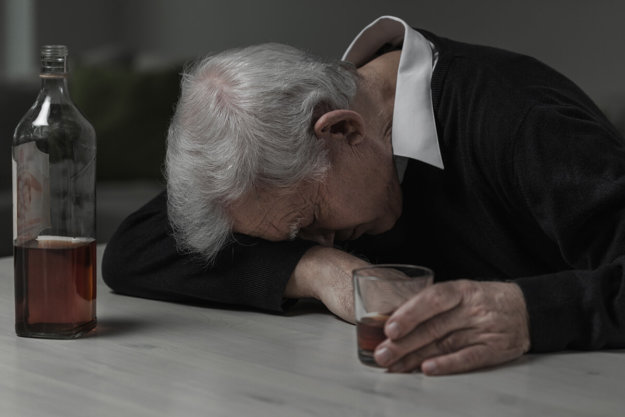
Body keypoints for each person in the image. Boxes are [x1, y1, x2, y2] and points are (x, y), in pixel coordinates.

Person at [102, 16, 625, 375]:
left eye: (307, 218)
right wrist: (323, 267)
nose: (319, 234)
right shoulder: (283, 137)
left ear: (344, 132)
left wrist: (527, 313)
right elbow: (136, 248)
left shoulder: (521, 120)